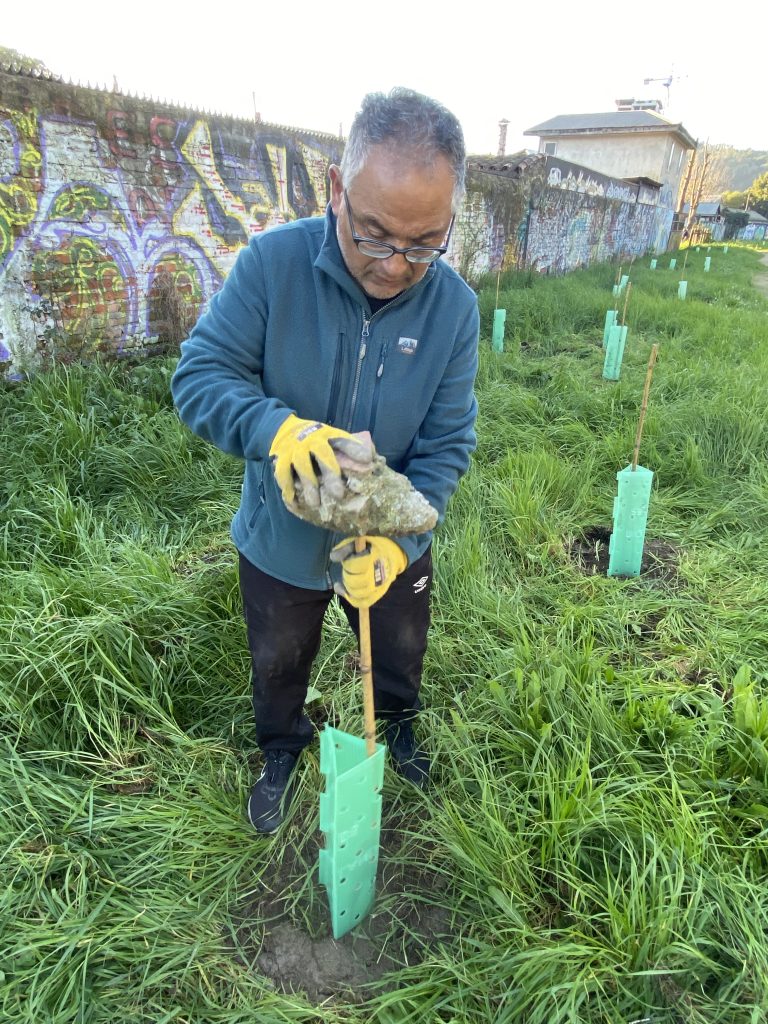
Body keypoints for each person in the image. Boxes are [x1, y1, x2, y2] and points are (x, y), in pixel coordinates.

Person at [171, 87, 479, 833]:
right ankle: (281, 749)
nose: (398, 264)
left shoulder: (454, 310)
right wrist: (274, 430)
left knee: (399, 651)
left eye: (425, 242)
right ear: (337, 189)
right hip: (280, 542)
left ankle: (398, 732)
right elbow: (199, 376)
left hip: (390, 541)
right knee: (279, 662)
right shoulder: (273, 266)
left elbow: (446, 445)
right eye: (374, 235)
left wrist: (397, 543)